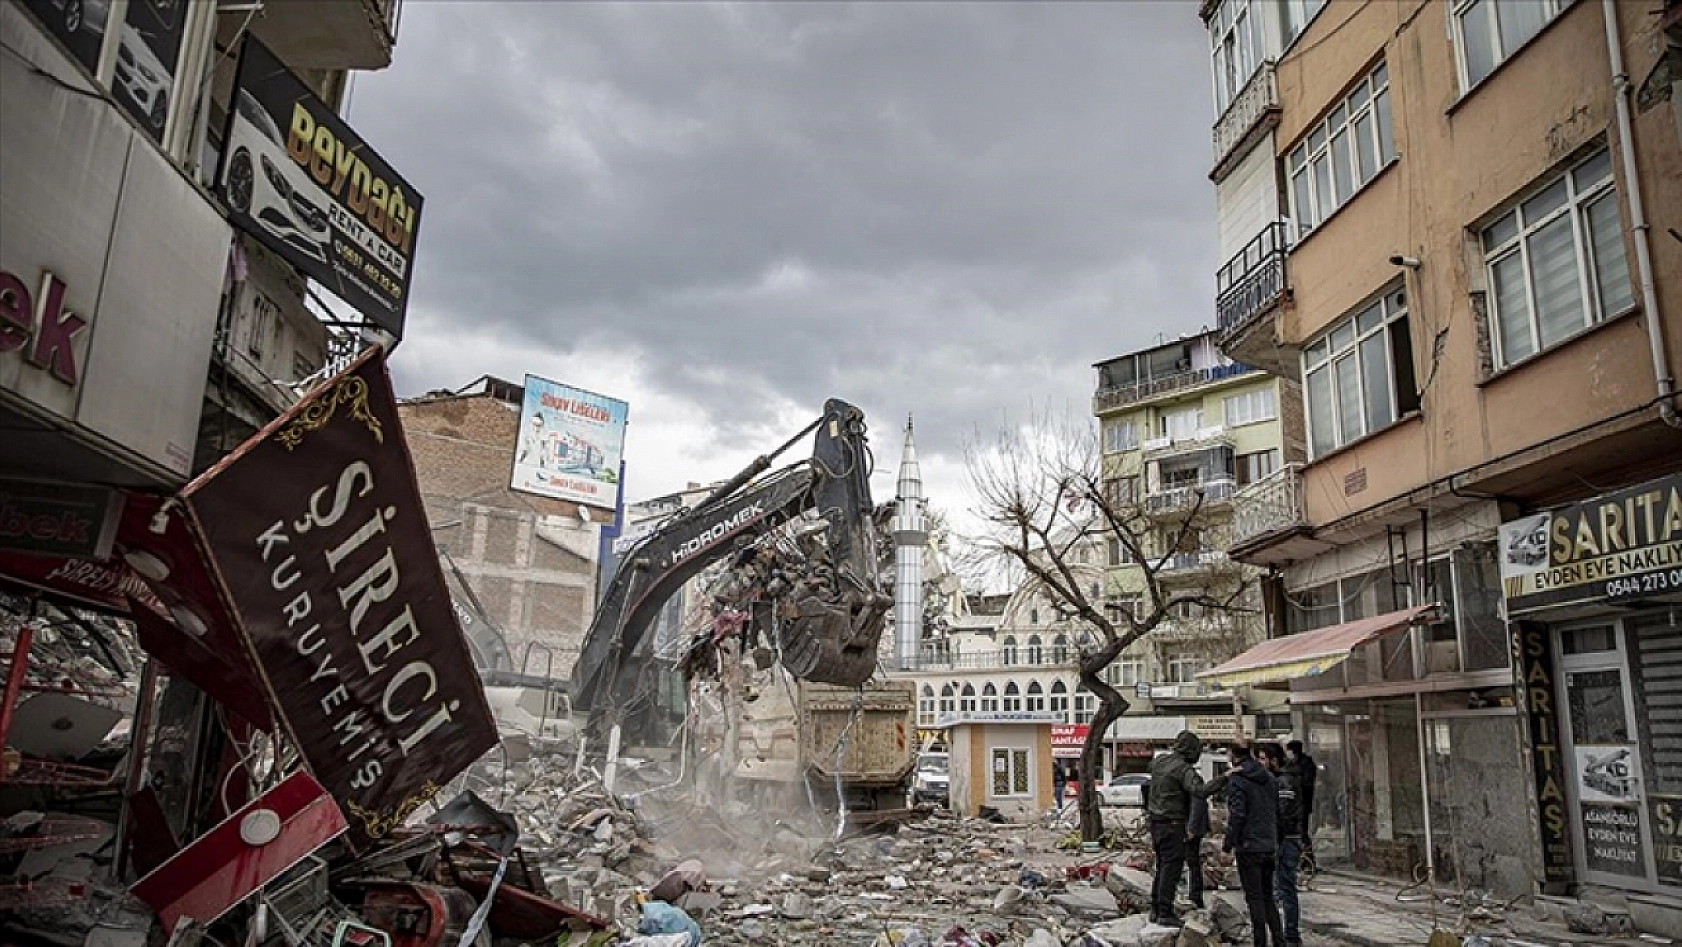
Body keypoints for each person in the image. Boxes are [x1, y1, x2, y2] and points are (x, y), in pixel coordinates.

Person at [1146, 731, 1228, 928]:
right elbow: (1200, 791)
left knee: (1161, 867)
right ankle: (1165, 911)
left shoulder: (1160, 762)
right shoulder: (1184, 770)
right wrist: (1224, 777)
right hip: (1172, 825)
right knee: (1171, 869)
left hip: (1155, 823)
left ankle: (1156, 908)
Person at [1224, 741, 1286, 947]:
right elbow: (1277, 811)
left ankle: (1260, 942)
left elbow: (1238, 814)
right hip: (1269, 844)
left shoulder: (1238, 780)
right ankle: (1279, 940)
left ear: (1233, 755)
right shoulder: (1269, 778)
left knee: (1254, 898)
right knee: (1268, 896)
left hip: (1249, 846)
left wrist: (1228, 844)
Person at [1261, 743, 1304, 947]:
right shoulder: (1276, 781)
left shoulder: (1284, 782)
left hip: (1286, 840)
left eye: (1262, 759)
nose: (1260, 764)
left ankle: (1291, 934)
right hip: (1282, 839)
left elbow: (1284, 815)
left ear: (1273, 761)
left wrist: (1274, 841)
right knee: (1278, 887)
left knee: (1286, 887)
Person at [1286, 739, 1318, 852]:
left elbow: (1307, 783)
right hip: (1291, 804)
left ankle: (1308, 859)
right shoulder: (1289, 764)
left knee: (1302, 832)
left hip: (1302, 803)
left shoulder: (1306, 764)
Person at [1185, 787, 1210, 911]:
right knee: (1192, 862)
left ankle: (1195, 896)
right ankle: (1194, 895)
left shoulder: (1191, 781)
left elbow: (1197, 805)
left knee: (1192, 862)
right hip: (1193, 827)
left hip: (1192, 829)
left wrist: (1191, 829)